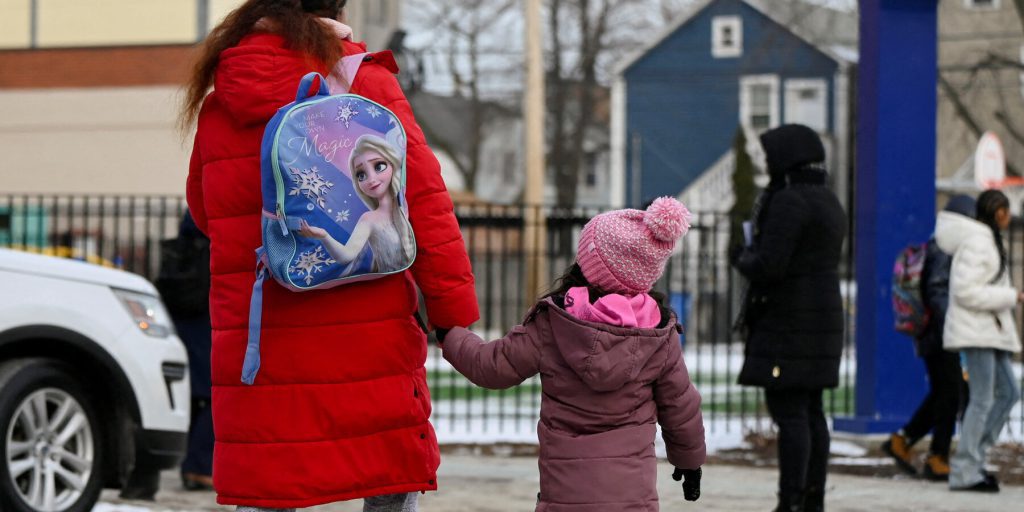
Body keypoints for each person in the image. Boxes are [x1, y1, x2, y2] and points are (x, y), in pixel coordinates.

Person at [181, 1, 479, 510]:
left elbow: (206, 213)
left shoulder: (221, 99)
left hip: (262, 336)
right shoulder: (364, 83)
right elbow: (427, 205)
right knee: (386, 476)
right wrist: (453, 318)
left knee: (270, 475)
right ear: (337, 8)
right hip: (372, 331)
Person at [438, 198, 707, 512]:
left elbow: (492, 366)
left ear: (589, 261)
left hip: (565, 497)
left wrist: (450, 335)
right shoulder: (658, 331)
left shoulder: (555, 322)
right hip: (632, 499)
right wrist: (690, 462)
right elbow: (681, 404)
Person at [732, 124, 847, 512]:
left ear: (786, 158)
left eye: (770, 157)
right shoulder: (829, 200)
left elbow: (770, 264)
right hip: (823, 317)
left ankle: (789, 502)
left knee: (791, 414)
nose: (766, 164)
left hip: (790, 320)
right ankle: (812, 499)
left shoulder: (789, 201)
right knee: (813, 411)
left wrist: (741, 256)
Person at [882, 195, 974, 481]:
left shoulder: (937, 245)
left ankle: (904, 440)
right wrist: (954, 326)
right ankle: (937, 456)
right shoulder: (946, 249)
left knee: (944, 393)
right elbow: (937, 291)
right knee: (951, 394)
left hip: (930, 332)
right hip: (942, 333)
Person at [937, 189, 1022, 493]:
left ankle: (973, 459)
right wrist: (1012, 296)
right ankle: (965, 469)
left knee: (1009, 393)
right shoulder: (977, 242)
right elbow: (965, 291)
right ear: (992, 211)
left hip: (990, 329)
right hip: (976, 330)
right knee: (983, 399)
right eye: (1003, 210)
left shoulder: (987, 240)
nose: (1007, 216)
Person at [297, 135, 414, 274]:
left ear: (393, 164)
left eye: (379, 166)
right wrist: (324, 236)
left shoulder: (404, 202)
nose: (371, 179)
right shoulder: (369, 219)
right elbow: (346, 256)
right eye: (361, 175)